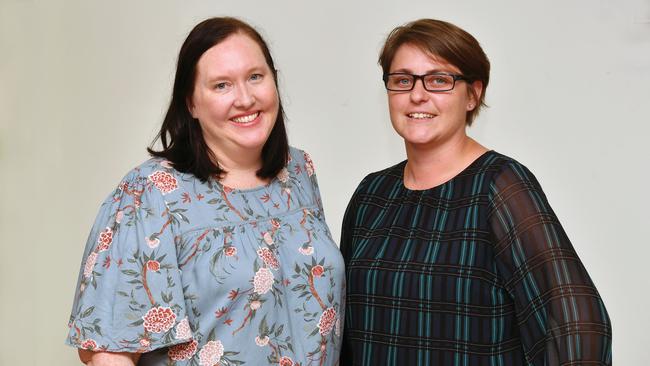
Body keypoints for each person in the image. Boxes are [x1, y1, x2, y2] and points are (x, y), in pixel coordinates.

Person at [66, 17, 344, 366]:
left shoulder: (299, 171)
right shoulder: (150, 194)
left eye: (255, 77)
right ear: (191, 104)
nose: (245, 98)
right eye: (221, 85)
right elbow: (106, 349)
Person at [340, 19, 612, 365]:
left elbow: (578, 323)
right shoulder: (372, 194)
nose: (417, 94)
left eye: (439, 80)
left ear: (472, 94)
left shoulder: (500, 186)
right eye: (402, 80)